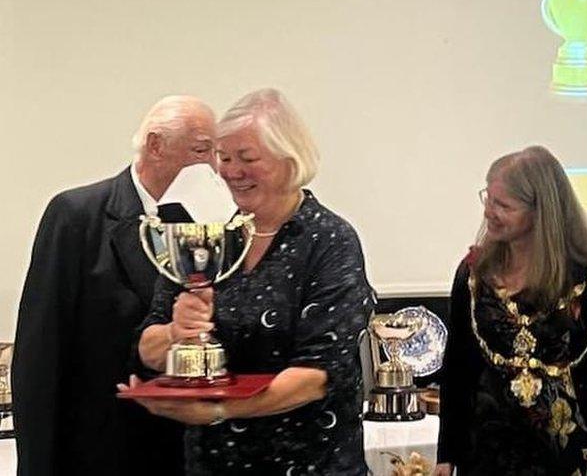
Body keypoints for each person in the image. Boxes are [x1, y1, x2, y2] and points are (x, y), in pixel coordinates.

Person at [129, 88, 375, 475]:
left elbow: (316, 376)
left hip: (309, 463)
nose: (230, 171)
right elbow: (148, 349)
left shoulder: (328, 240)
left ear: (290, 161)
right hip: (213, 465)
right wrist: (178, 331)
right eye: (223, 158)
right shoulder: (205, 233)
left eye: (247, 159)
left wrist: (219, 410)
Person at [12, 95, 216, 476]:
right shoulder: (77, 216)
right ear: (156, 145)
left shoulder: (209, 221)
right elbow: (40, 352)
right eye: (203, 150)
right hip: (99, 450)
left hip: (187, 453)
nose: (214, 166)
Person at [435, 146, 587, 475]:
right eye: (488, 199)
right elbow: (457, 369)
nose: (488, 213)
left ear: (540, 211)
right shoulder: (474, 275)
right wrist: (445, 455)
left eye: (503, 205)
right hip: (485, 459)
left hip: (564, 459)